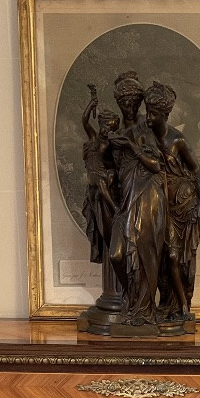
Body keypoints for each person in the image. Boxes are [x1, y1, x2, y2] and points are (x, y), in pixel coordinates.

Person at [107, 71, 167, 324]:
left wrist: (130, 146)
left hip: (147, 194)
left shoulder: (144, 127)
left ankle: (144, 308)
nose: (129, 106)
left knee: (145, 251)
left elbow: (156, 165)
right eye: (124, 102)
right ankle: (132, 299)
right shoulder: (115, 128)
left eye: (133, 101)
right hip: (125, 196)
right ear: (118, 102)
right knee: (117, 254)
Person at [145, 80, 200, 319]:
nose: (148, 117)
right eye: (147, 111)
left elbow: (198, 173)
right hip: (161, 205)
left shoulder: (177, 140)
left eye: (153, 113)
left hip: (183, 205)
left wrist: (199, 206)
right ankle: (167, 304)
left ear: (165, 115)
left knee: (178, 259)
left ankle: (182, 307)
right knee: (163, 258)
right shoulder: (145, 137)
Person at [80, 86, 119, 264]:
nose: (106, 130)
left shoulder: (111, 143)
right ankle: (114, 208)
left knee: (106, 179)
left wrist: (112, 173)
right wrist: (91, 103)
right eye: (105, 126)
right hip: (93, 174)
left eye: (110, 128)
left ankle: (114, 210)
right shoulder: (93, 137)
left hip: (103, 173)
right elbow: (84, 120)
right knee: (101, 182)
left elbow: (115, 164)